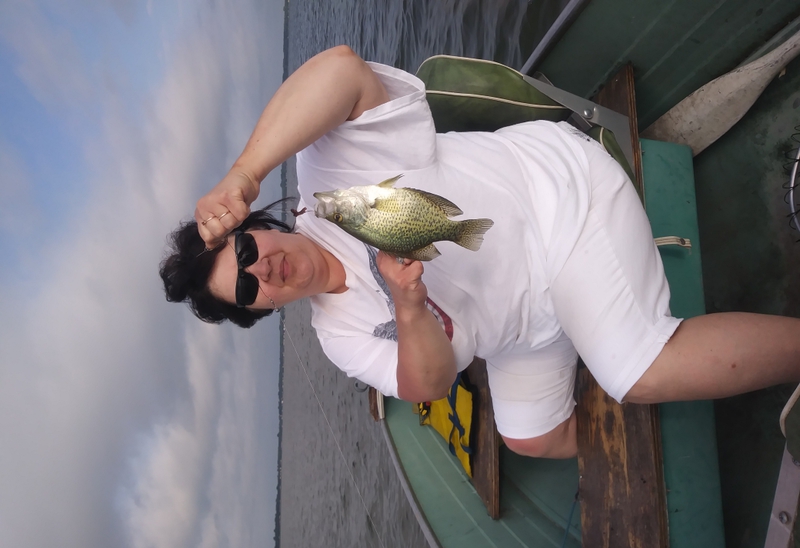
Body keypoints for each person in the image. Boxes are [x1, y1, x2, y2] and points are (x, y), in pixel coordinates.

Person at [160, 45, 800, 459]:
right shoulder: (339, 336)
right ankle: (656, 421)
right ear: (261, 310)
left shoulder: (327, 172)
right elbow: (430, 383)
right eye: (247, 288)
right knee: (529, 438)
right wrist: (409, 307)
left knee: (638, 372)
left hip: (557, 208)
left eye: (246, 249)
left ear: (257, 224)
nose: (260, 268)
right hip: (524, 330)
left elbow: (342, 69)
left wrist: (243, 173)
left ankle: (654, 355)